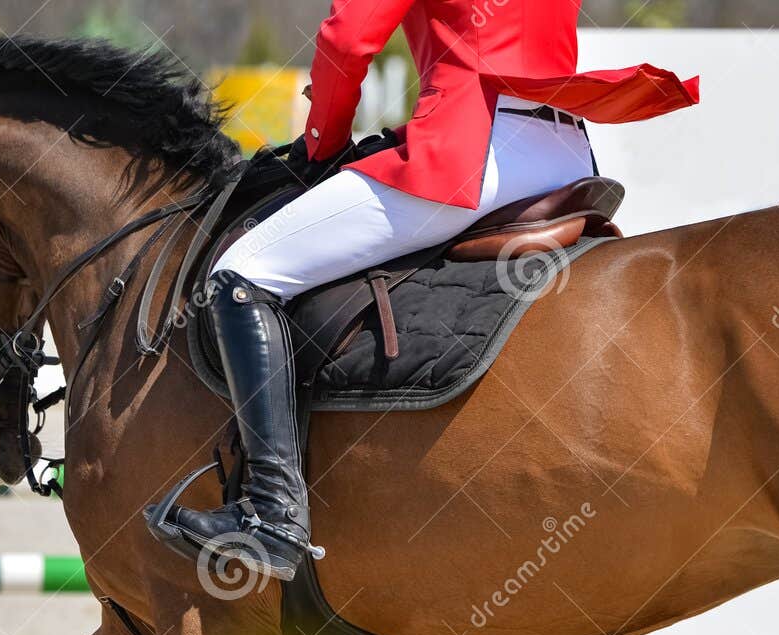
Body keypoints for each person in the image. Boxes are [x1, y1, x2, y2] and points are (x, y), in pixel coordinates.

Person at [151, 0, 700, 580]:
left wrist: (322, 145)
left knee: (242, 274)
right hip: (562, 149)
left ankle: (272, 513)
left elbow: (348, 41)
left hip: (470, 149)